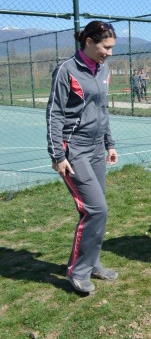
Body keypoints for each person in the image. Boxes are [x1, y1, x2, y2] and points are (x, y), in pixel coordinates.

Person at [46, 20, 119, 294]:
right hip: (73, 149)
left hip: (96, 149)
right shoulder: (66, 71)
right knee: (95, 209)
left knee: (97, 211)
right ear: (89, 42)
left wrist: (109, 143)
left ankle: (92, 262)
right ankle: (77, 272)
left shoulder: (103, 70)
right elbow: (54, 114)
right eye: (105, 47)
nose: (109, 52)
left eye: (112, 48)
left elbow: (102, 110)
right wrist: (57, 154)